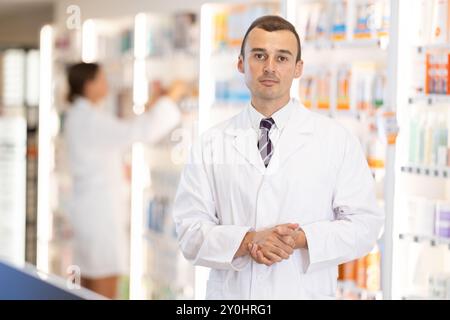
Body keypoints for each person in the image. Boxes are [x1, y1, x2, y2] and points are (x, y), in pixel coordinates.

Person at [173, 15, 384, 299]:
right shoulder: (210, 144)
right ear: (241, 63)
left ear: (298, 68)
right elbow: (189, 231)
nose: (270, 67)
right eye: (259, 55)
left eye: (282, 58)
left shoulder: (337, 140)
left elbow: (365, 226)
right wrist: (248, 240)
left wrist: (301, 239)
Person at [64, 62, 184, 299]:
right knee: (104, 276)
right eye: (101, 79)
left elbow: (120, 133)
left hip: (89, 210)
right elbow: (139, 132)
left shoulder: (82, 117)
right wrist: (171, 98)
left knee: (86, 277)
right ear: (88, 86)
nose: (106, 84)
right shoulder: (90, 120)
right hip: (99, 215)